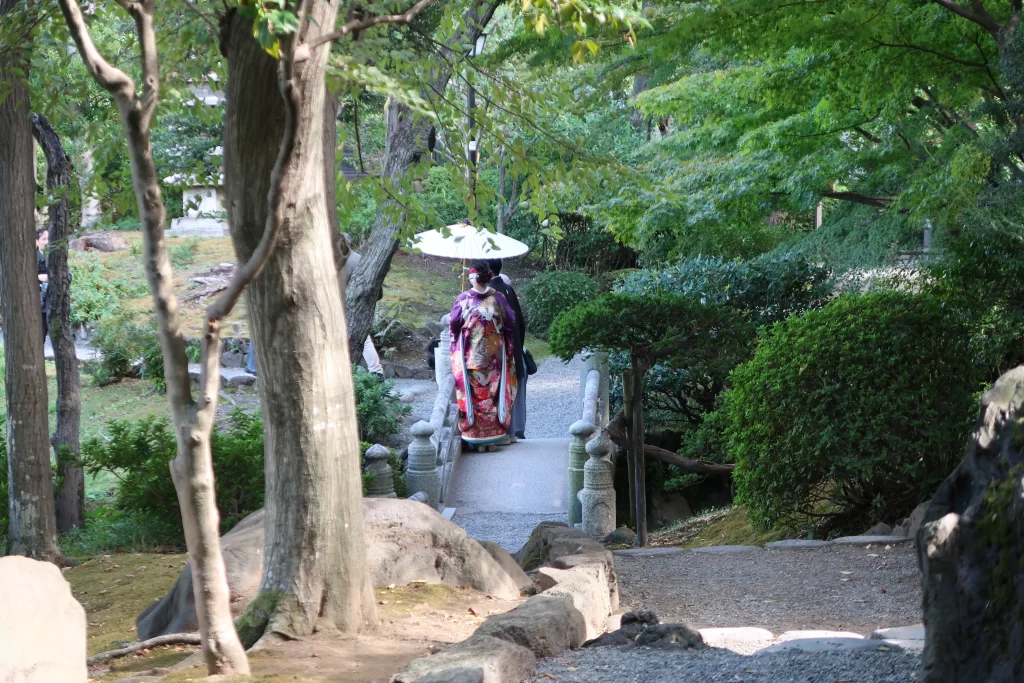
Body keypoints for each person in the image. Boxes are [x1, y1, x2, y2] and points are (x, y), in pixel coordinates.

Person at [449, 260, 518, 448]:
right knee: (491, 396)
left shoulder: (464, 299)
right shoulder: (498, 298)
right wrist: (503, 338)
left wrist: (463, 323)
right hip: (494, 356)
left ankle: (475, 437)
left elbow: (453, 325)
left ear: (472, 277)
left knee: (474, 396)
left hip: (471, 357)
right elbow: (511, 321)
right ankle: (492, 437)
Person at [488, 258, 527, 441]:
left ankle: (498, 431)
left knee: (497, 388)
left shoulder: (487, 293)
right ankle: (515, 430)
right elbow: (519, 321)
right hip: (514, 346)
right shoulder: (508, 290)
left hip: (495, 350)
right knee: (514, 386)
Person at [343, 234, 385, 380]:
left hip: (347, 307)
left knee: (363, 340)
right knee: (364, 339)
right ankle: (376, 371)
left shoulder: (349, 260)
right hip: (353, 306)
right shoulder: (358, 259)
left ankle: (376, 371)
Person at [36, 228, 49, 341]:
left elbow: (68, 276)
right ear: (37, 241)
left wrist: (53, 278)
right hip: (37, 304)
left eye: (48, 239)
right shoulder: (31, 258)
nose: (46, 242)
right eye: (43, 239)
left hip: (54, 302)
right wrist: (37, 277)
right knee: (39, 337)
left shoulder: (56, 257)